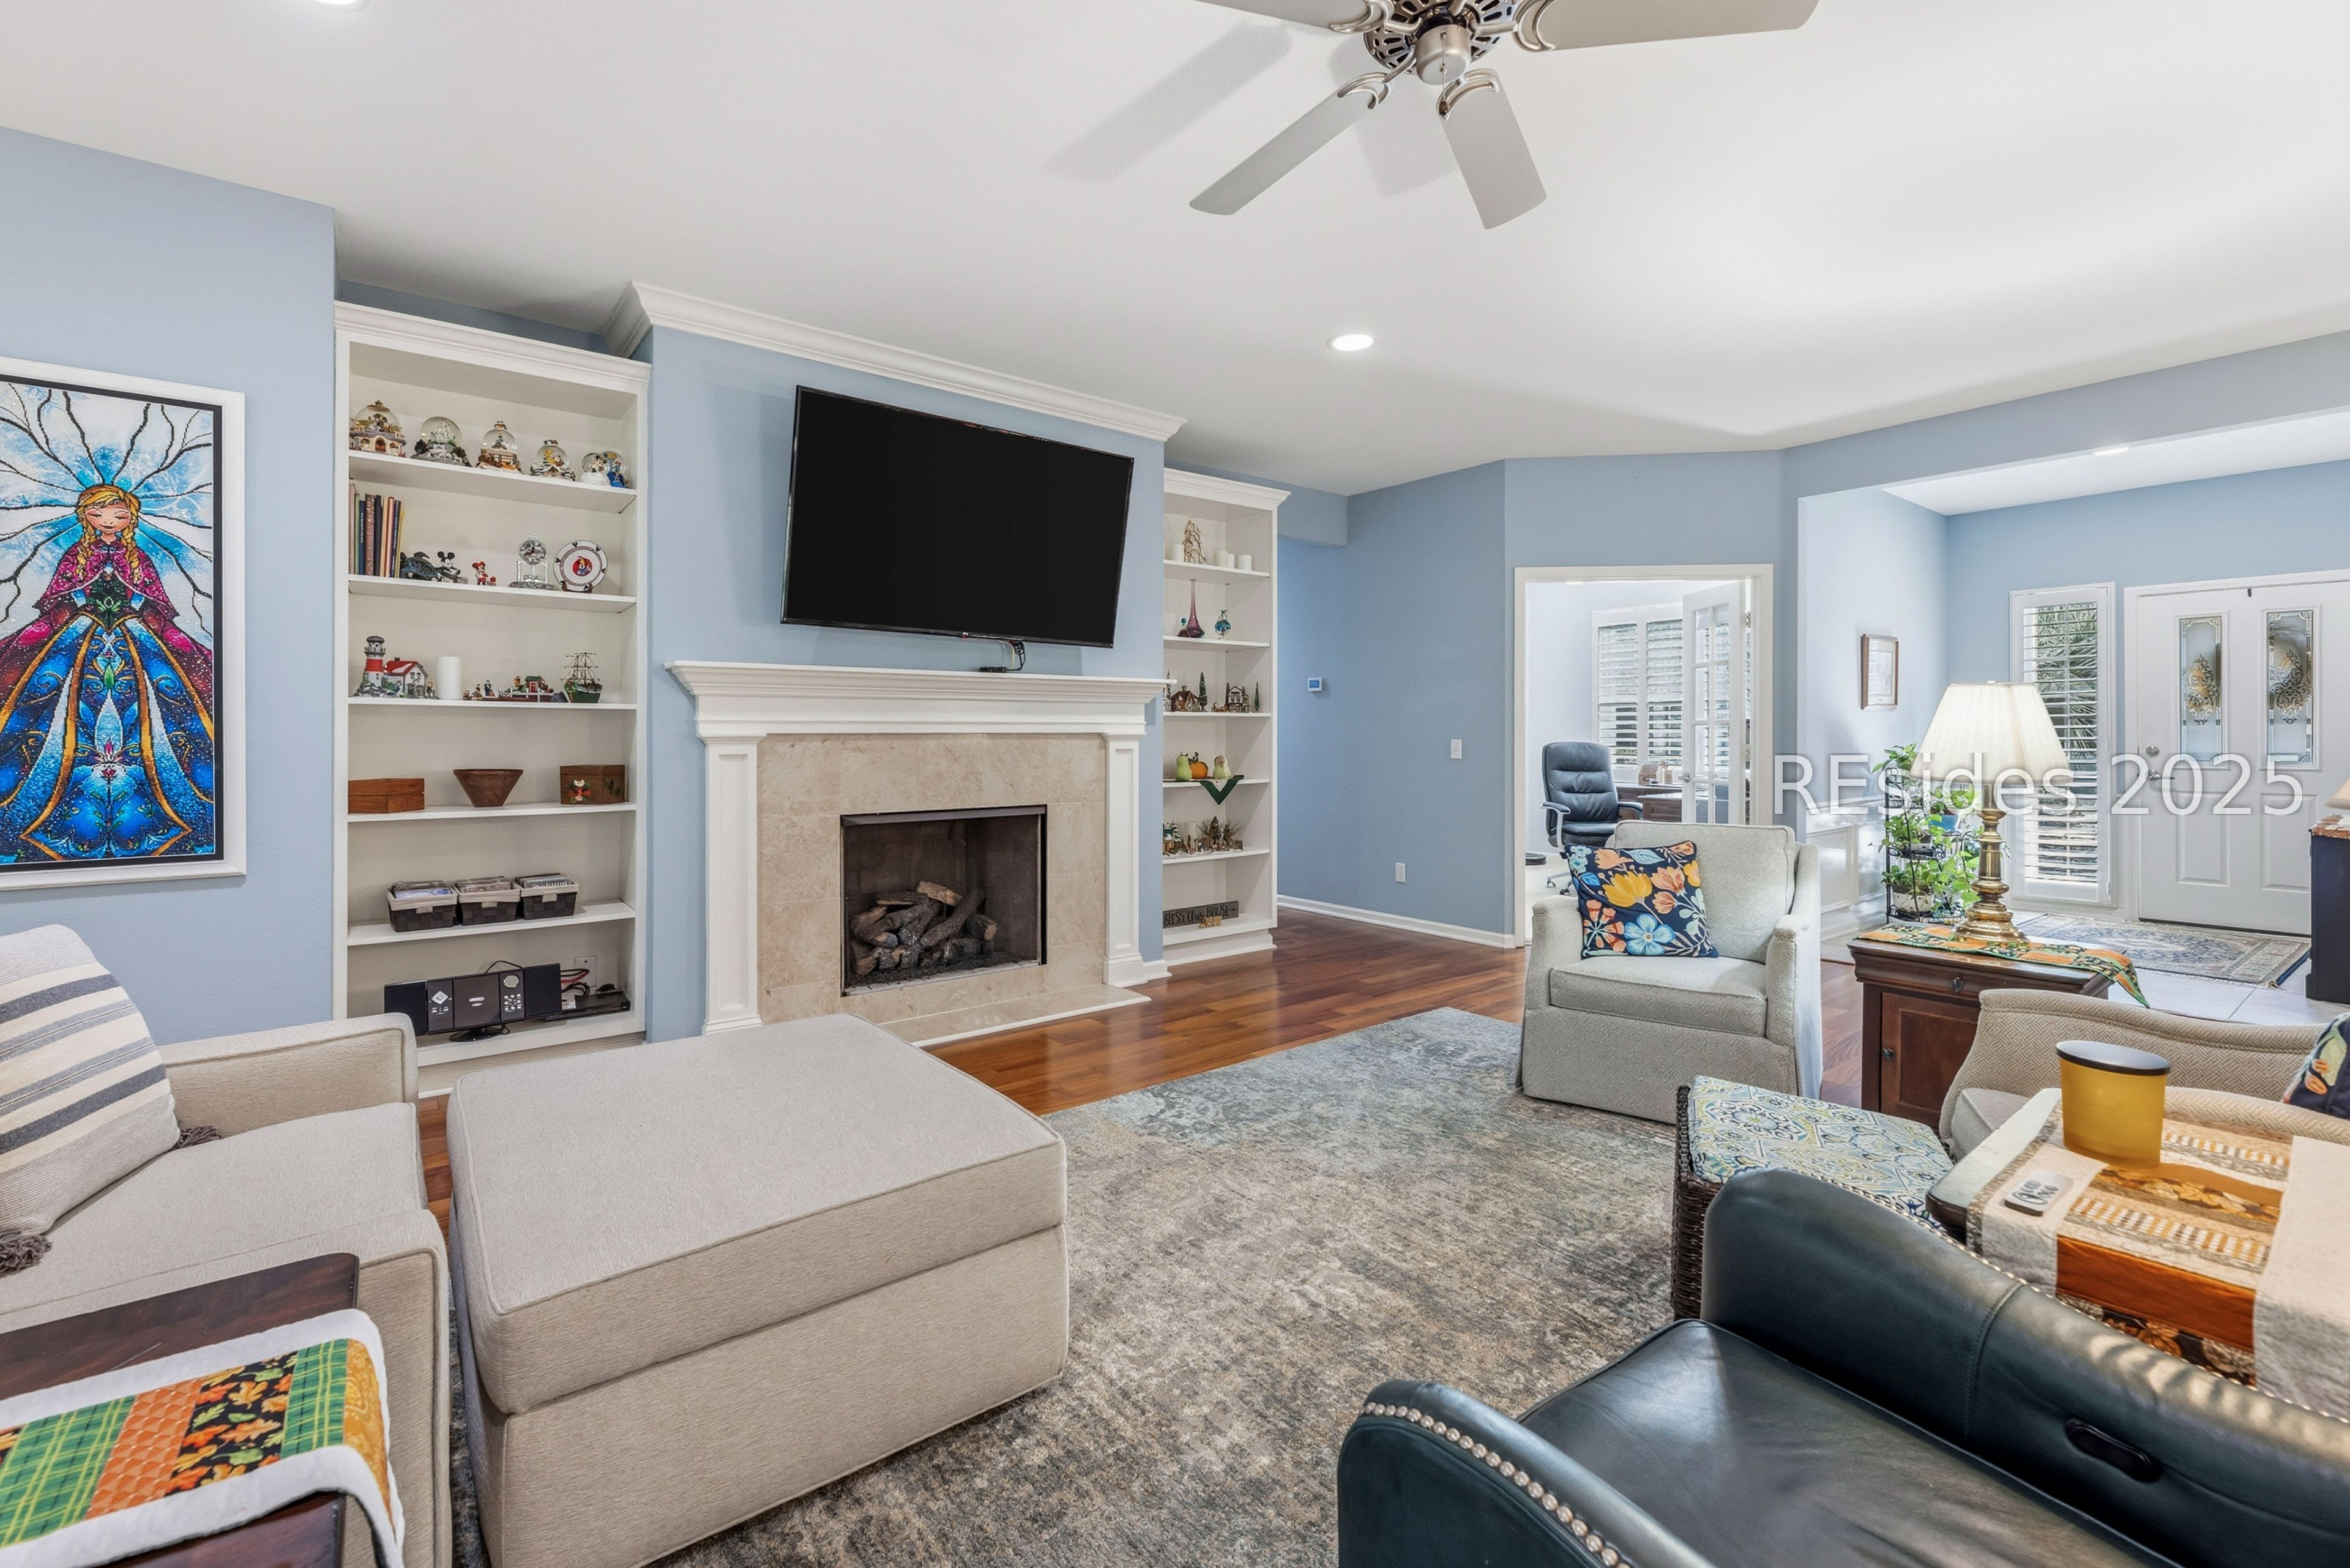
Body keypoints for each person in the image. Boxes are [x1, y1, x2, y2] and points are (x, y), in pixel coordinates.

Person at [0, 483, 215, 862]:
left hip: (132, 629)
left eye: (118, 513)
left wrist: (134, 609)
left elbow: (152, 598)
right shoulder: (77, 553)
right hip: (83, 627)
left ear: (130, 517)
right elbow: (61, 594)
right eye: (100, 513)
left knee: (168, 699)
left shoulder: (138, 556)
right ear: (87, 517)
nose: (109, 520)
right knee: (45, 693)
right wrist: (82, 604)